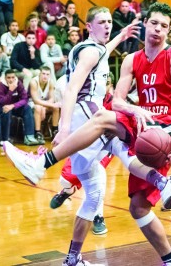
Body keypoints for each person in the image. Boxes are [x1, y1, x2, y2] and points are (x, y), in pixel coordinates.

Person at [3, 4, 171, 266]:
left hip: (166, 130)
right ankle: (170, 256)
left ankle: (41, 164)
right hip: (135, 126)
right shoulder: (129, 59)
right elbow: (118, 100)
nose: (158, 29)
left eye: (164, 26)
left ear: (169, 30)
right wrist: (134, 108)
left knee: (105, 124)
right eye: (154, 23)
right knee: (137, 207)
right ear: (146, 24)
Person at [50, 73, 115, 236]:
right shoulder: (83, 97)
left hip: (104, 145)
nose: (104, 85)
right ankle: (68, 190)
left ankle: (98, 217)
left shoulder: (114, 102)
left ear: (110, 85)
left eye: (107, 83)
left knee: (98, 176)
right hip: (83, 142)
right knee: (66, 179)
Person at [0, 69, 39, 145]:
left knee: (27, 108)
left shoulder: (18, 83)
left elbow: (25, 99)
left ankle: (29, 136)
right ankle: (5, 139)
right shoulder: (0, 85)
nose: (11, 79)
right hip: (2, 107)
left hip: (13, 106)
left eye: (13, 77)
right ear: (5, 78)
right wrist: (10, 91)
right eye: (8, 78)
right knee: (6, 110)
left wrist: (13, 105)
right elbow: (2, 101)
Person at [28, 66, 60, 144]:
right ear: (40, 74)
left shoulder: (51, 82)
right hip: (32, 103)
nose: (45, 76)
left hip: (44, 103)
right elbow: (35, 100)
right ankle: (38, 133)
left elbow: (52, 98)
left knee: (56, 108)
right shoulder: (33, 82)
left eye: (47, 74)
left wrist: (45, 107)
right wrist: (44, 106)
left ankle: (54, 130)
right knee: (38, 108)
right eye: (43, 74)